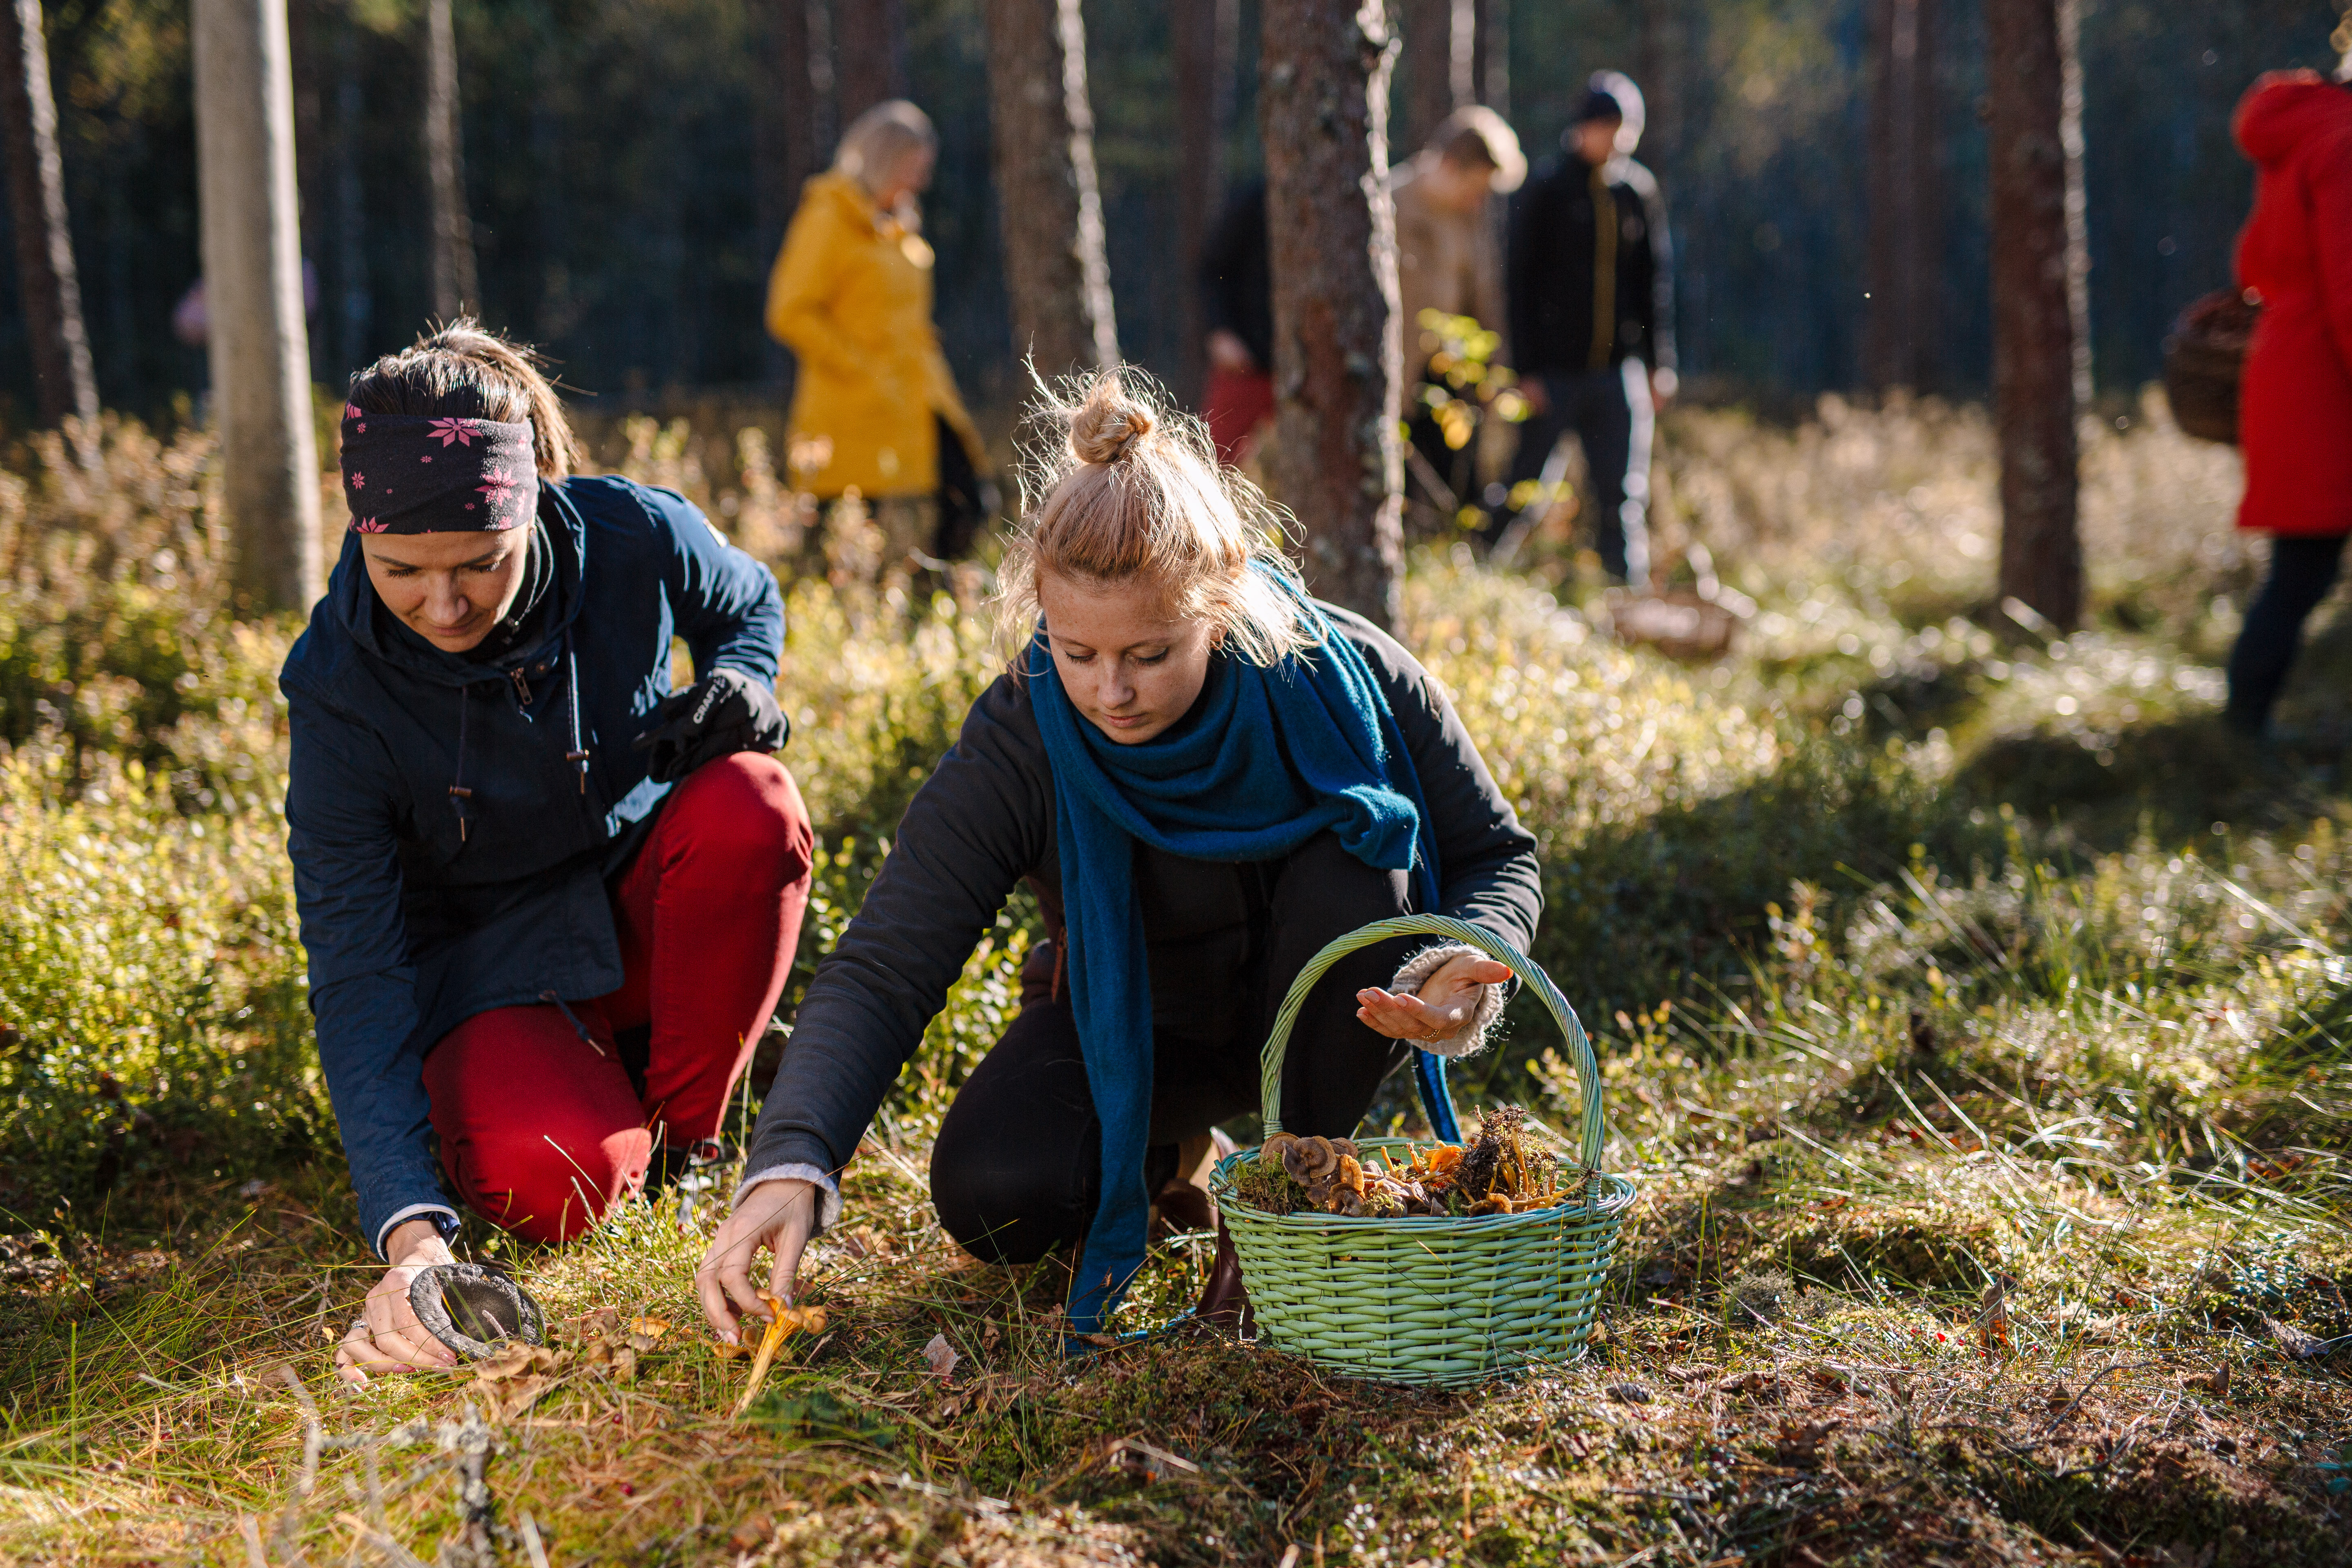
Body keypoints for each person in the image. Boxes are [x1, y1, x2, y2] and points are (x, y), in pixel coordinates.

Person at [693, 373, 1543, 1344]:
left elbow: (1494, 852)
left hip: (1329, 1024)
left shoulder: (1346, 677)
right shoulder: (1024, 727)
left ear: (1219, 607)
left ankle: (1285, 1205)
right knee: (996, 1188)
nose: (1110, 692)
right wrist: (791, 1160)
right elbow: (890, 958)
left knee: (1362, 845)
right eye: (1075, 649)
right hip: (1134, 1026)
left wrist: (1460, 964)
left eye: (1147, 653)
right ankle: (1180, 1152)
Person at [285, 323, 815, 1385]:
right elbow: (356, 969)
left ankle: (691, 1139)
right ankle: (597, 1107)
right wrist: (411, 1233)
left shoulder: (630, 534)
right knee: (560, 1182)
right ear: (361, 535)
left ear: (530, 507)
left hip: (630, 899)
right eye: (403, 571)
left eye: (483, 564)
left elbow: (748, 602)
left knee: (752, 801)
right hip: (485, 971)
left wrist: (746, 687)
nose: (446, 606)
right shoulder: (338, 691)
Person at [767, 100, 992, 561]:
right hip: (848, 404)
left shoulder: (897, 224)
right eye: (914, 168)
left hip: (917, 392)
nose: (921, 181)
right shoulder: (829, 216)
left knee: (970, 497)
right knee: (836, 530)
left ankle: (931, 598)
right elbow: (790, 311)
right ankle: (850, 616)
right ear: (884, 161)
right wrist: (858, 365)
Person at [1499, 74, 1677, 584]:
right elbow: (1520, 284)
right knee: (1523, 486)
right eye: (1608, 127)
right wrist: (1527, 370)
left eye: (1627, 129)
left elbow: (1653, 284)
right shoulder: (1547, 190)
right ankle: (1480, 578)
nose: (1617, 140)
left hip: (1617, 375)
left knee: (1621, 495)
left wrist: (1658, 364)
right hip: (1554, 375)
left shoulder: (1635, 193)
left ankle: (1627, 599)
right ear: (1583, 128)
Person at [2223, 68, 2352, 738]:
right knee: (2302, 574)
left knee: (2300, 572)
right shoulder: (2344, 140)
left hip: (2291, 375)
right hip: (2326, 394)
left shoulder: (2307, 129)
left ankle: (2244, 730)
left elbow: (2255, 259)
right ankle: (2243, 733)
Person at [1392, 106, 1526, 518]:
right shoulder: (1388, 202)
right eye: (1476, 186)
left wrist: (1496, 371)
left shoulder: (1471, 220)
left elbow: (1485, 299)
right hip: (1393, 378)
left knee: (1456, 492)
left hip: (1448, 378)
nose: (1480, 198)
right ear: (1450, 165)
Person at [1198, 178, 1275, 465]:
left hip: (1311, 373)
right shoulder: (1252, 203)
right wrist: (1220, 332)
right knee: (1215, 463)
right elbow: (1212, 270)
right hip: (1246, 365)